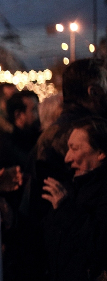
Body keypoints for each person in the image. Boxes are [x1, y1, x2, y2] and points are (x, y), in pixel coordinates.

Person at [42, 117, 107, 280]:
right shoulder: (70, 186)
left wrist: (66, 210)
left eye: (75, 148)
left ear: (100, 153)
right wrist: (11, 218)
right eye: (68, 148)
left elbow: (99, 247)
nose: (67, 158)